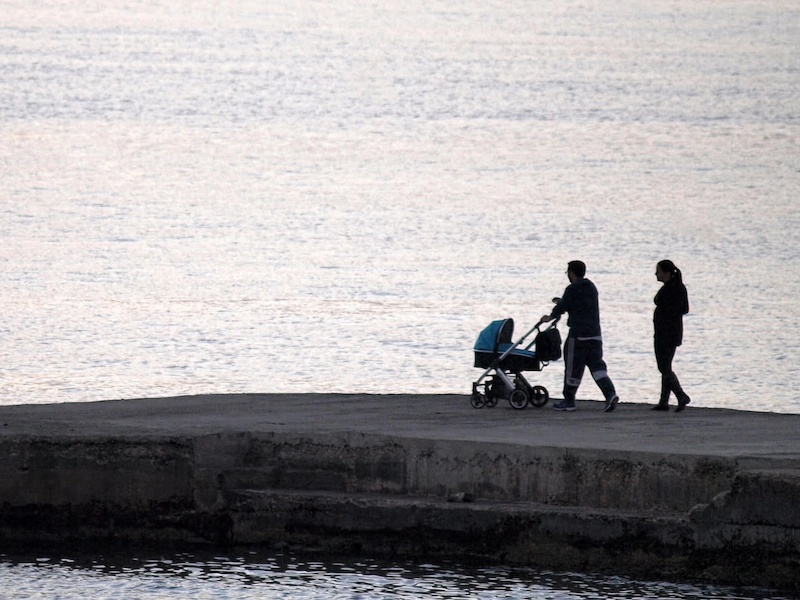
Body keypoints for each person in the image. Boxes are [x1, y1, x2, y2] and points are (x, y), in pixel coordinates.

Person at [541, 261, 619, 412]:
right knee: (597, 367)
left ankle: (569, 400)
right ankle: (610, 393)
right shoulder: (591, 287)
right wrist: (564, 302)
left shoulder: (572, 288)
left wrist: (551, 316)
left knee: (573, 368)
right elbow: (580, 304)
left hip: (578, 335)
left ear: (571, 273)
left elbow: (563, 306)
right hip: (595, 335)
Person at [652, 260, 691, 412]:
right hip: (669, 332)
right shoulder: (675, 288)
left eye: (659, 271)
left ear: (667, 273)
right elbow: (684, 309)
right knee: (666, 366)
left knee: (664, 367)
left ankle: (681, 395)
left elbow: (681, 308)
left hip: (666, 333)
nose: (656, 274)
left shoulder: (673, 289)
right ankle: (664, 401)